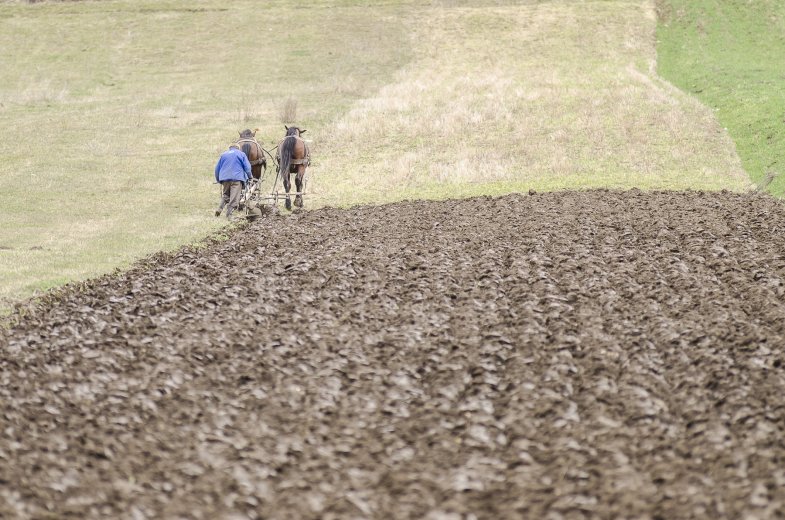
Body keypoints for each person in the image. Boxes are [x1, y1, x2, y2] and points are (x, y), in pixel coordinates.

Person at [214, 144, 252, 219]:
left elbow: (217, 169)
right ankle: (229, 214)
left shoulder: (223, 155)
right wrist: (250, 176)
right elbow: (247, 167)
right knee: (234, 197)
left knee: (226, 195)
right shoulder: (241, 154)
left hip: (225, 178)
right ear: (238, 148)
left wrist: (218, 179)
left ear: (230, 148)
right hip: (236, 179)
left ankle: (219, 209)